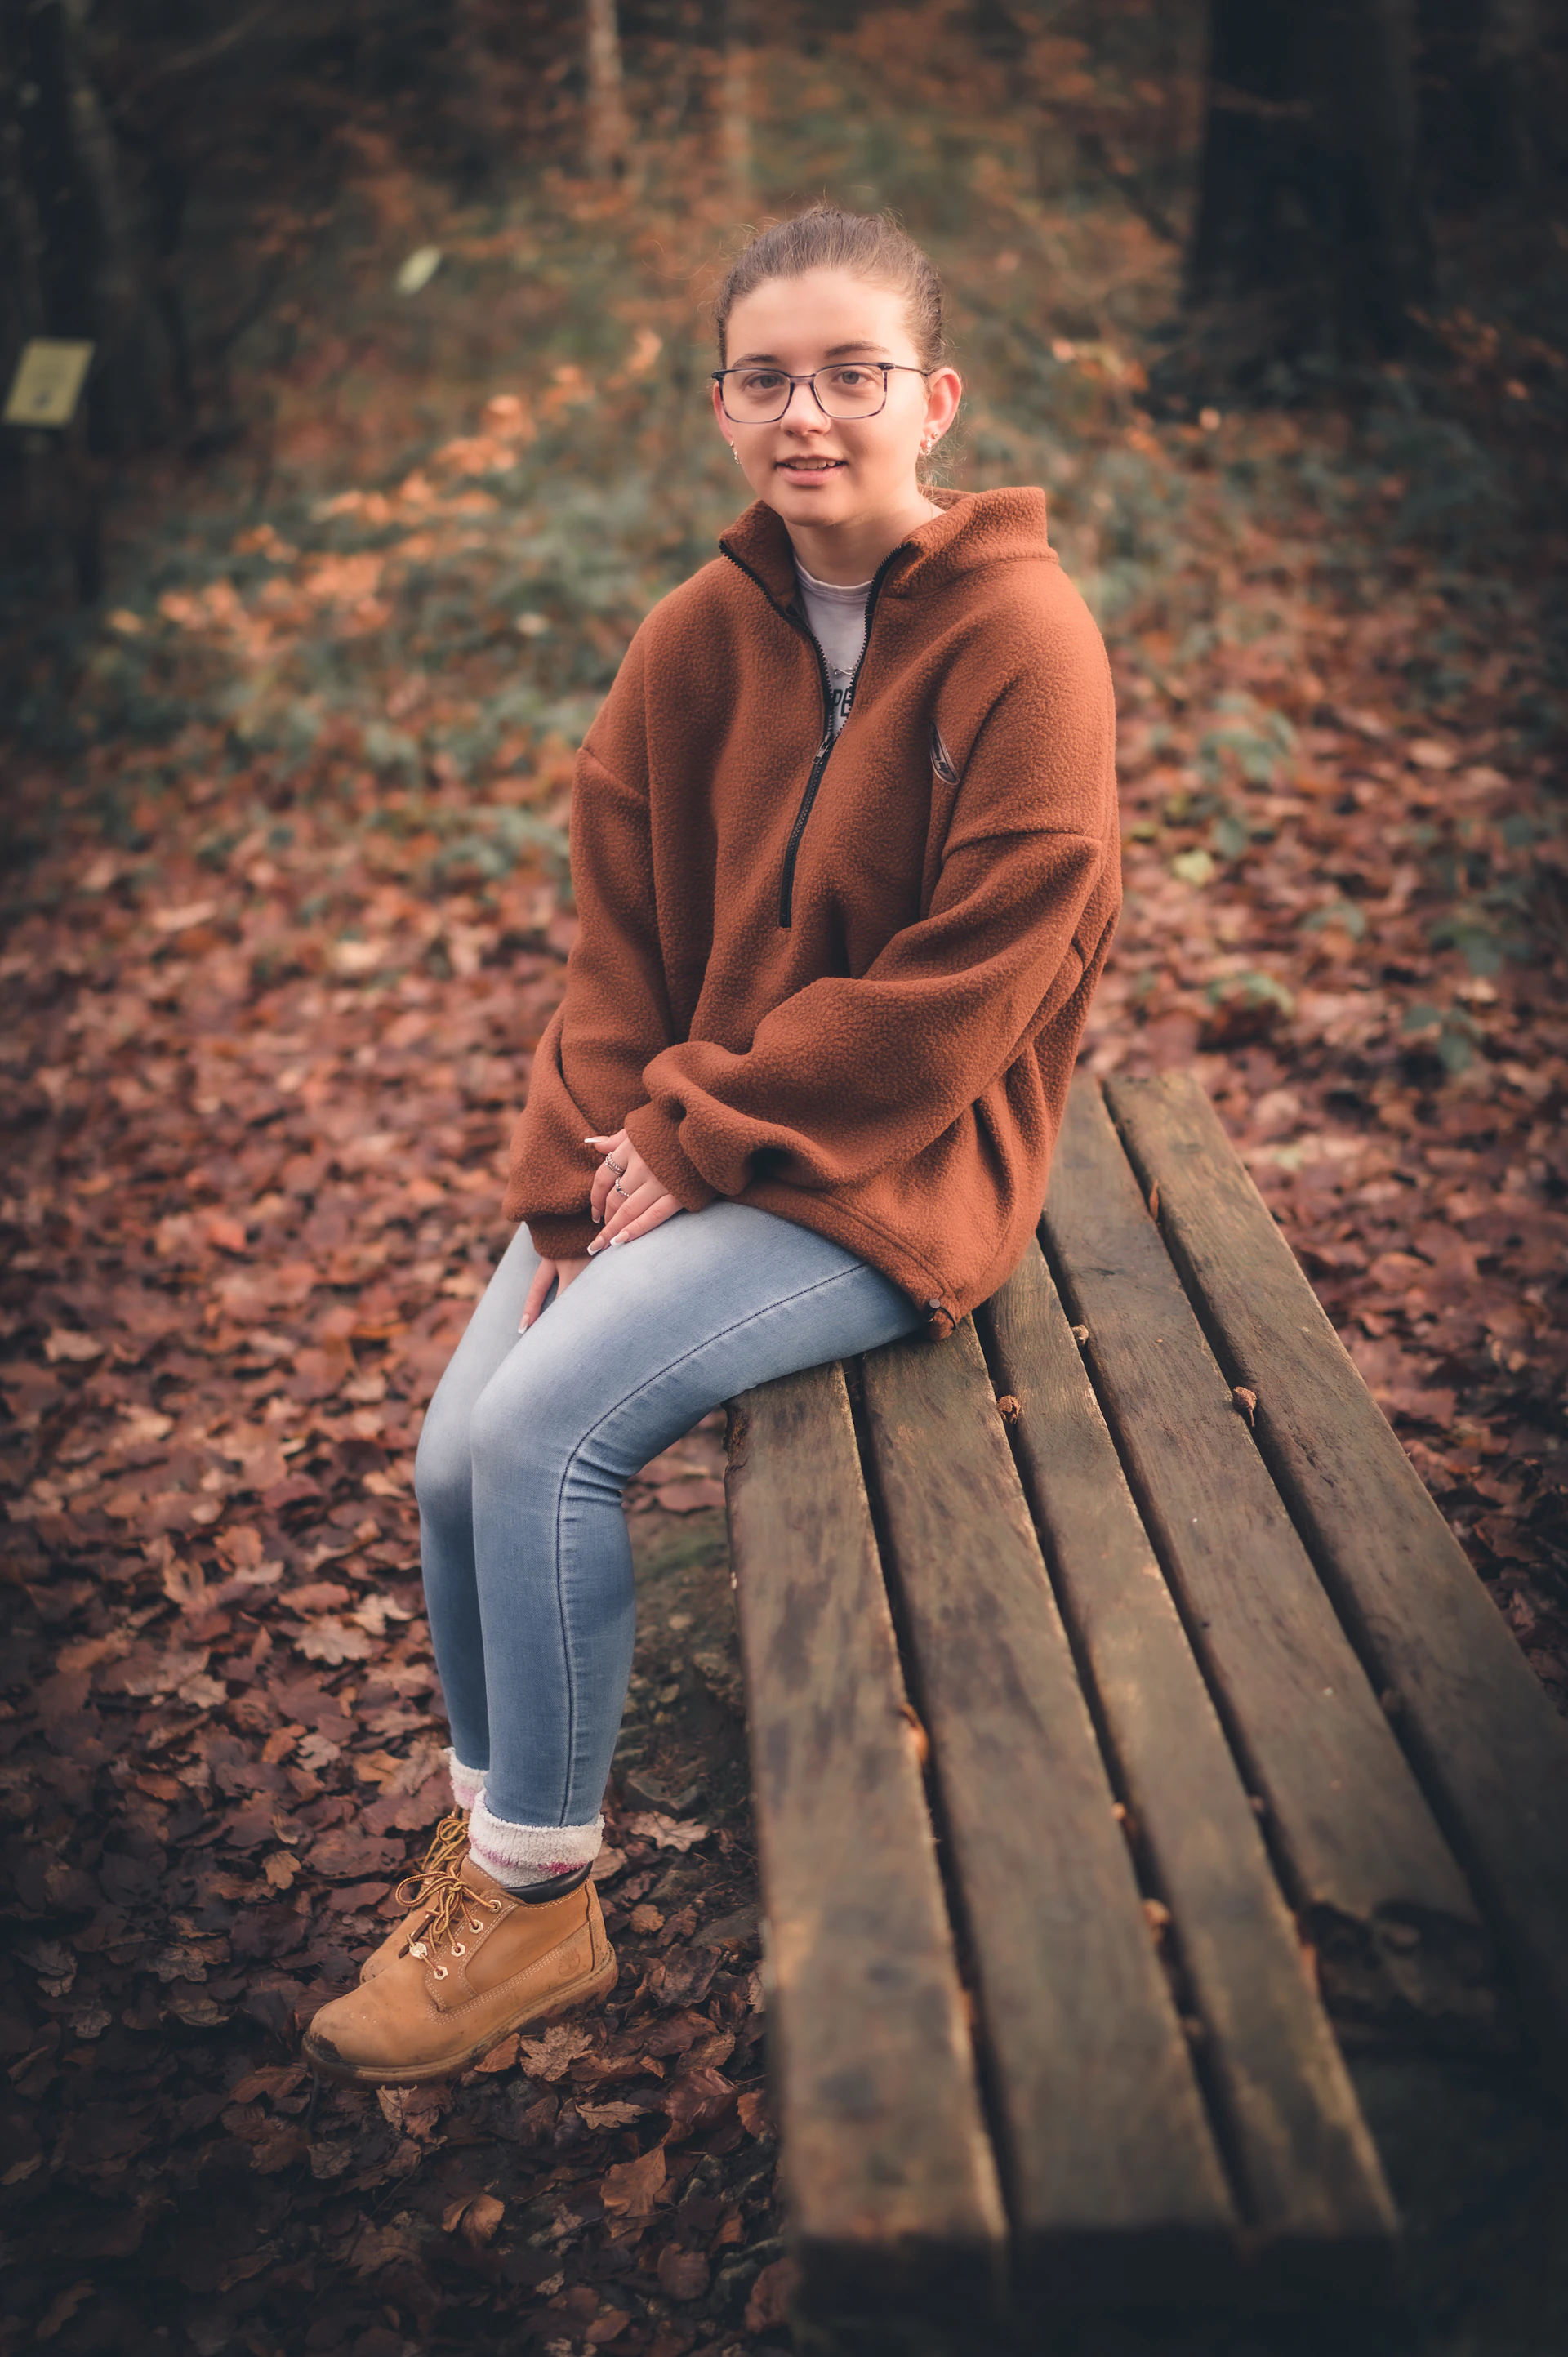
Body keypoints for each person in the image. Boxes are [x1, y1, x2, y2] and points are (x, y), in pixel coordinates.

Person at [303, 205, 1120, 2087]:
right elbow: (620, 948)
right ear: (721, 410)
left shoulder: (1026, 645)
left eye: (852, 373)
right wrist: (573, 1184)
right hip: (674, 1143)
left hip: (891, 1166)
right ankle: (487, 1840)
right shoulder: (697, 635)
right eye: (769, 377)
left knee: (543, 1434)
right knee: (445, 1466)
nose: (809, 411)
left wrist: (706, 1132)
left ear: (937, 397)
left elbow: (969, 986)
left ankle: (531, 1908)